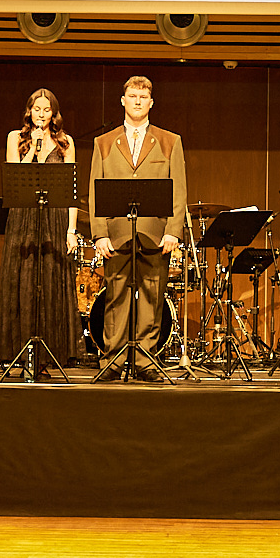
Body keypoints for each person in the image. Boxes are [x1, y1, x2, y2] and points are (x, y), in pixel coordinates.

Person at [88, 75, 188, 378]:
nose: (137, 102)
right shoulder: (103, 143)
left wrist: (173, 230)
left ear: (151, 103)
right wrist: (99, 233)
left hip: (155, 235)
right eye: (132, 96)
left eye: (143, 97)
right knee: (115, 299)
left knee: (151, 299)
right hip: (117, 233)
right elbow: (94, 189)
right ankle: (112, 362)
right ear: (123, 100)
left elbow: (179, 189)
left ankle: (146, 362)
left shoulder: (170, 141)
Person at [0, 88, 82, 370]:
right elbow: (15, 177)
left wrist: (71, 229)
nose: (41, 115)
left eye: (47, 110)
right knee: (22, 280)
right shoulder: (15, 138)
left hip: (54, 218)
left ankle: (52, 351)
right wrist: (33, 150)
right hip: (23, 217)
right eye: (37, 109)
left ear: (54, 113)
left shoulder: (65, 142)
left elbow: (71, 190)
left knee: (51, 279)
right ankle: (19, 350)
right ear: (29, 112)